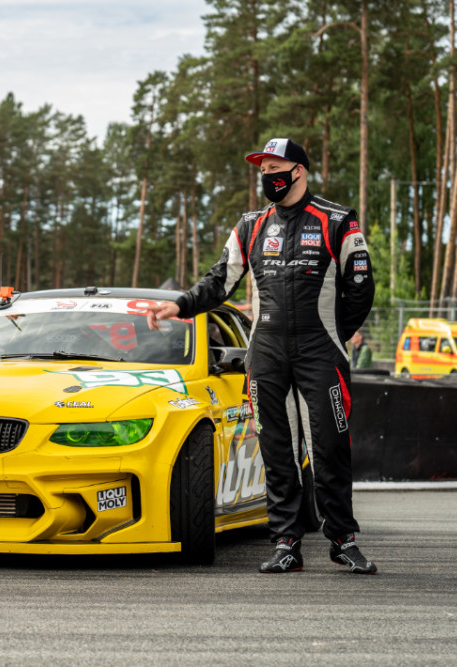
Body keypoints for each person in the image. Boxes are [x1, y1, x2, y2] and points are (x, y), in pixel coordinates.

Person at [146, 138, 377, 574]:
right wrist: (179, 304)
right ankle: (286, 543)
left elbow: (361, 288)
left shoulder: (337, 220)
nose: (267, 174)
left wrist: (333, 335)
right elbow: (220, 281)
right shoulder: (250, 226)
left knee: (329, 447)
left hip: (319, 350)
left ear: (299, 172)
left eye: (275, 166)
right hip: (266, 352)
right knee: (277, 449)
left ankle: (342, 540)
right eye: (262, 168)